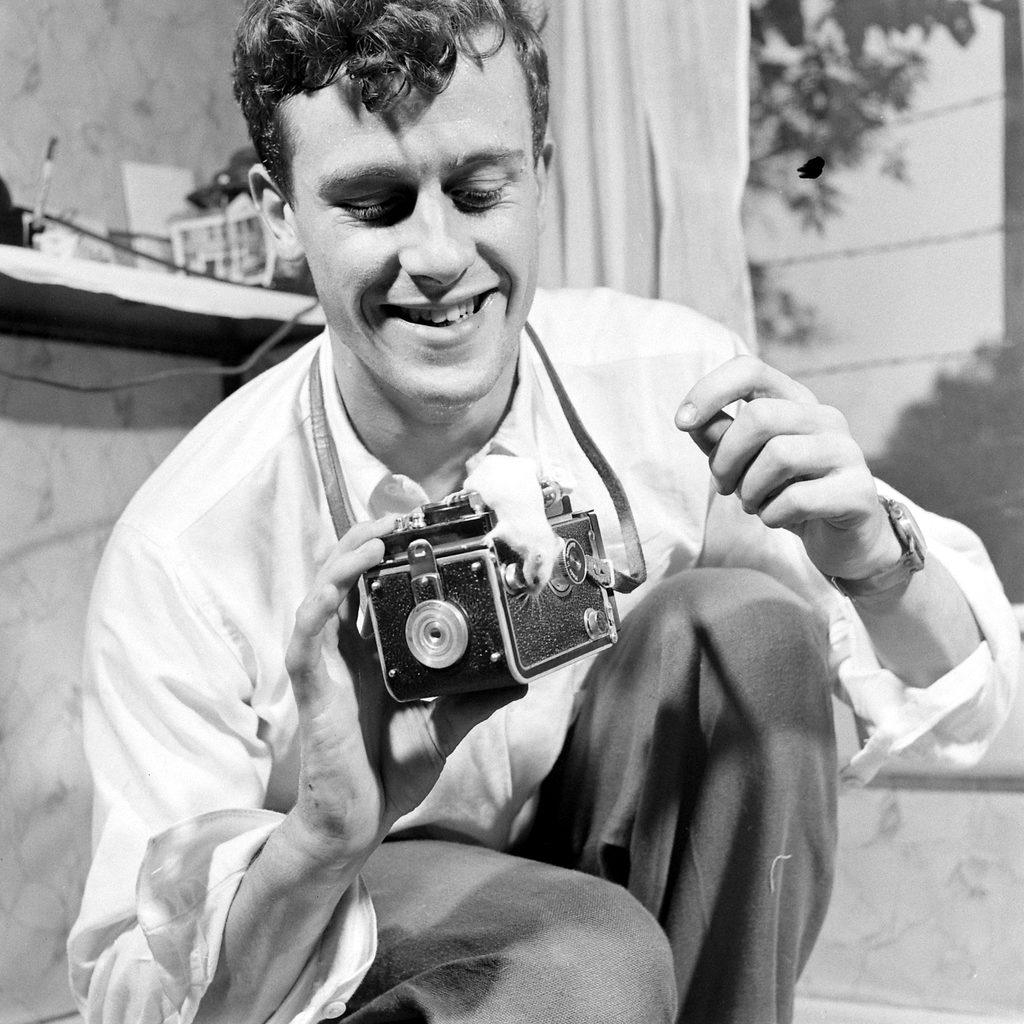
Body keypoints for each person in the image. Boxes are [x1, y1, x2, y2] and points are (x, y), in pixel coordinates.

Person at [67, 2, 1019, 1023]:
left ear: (542, 172)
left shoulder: (668, 386)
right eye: (374, 204)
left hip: (631, 866)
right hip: (356, 921)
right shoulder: (187, 545)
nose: (437, 256)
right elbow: (144, 995)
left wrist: (872, 557)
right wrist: (320, 838)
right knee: (585, 962)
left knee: (747, 629)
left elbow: (962, 701)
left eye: (479, 189)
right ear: (276, 212)